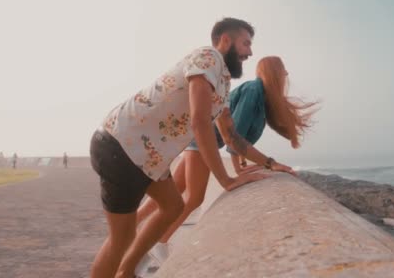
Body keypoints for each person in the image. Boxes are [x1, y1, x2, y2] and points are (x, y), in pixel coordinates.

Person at [89, 17, 294, 278]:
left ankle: (127, 272)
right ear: (226, 40)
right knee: (122, 237)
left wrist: (269, 162)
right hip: (121, 144)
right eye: (246, 43)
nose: (250, 52)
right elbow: (199, 121)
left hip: (148, 157)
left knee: (173, 207)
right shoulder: (208, 57)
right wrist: (226, 179)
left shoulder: (221, 83)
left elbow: (231, 136)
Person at [136, 56, 318, 263]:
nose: (286, 74)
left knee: (177, 186)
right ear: (274, 71)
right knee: (195, 197)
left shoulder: (261, 95)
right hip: (202, 141)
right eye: (283, 70)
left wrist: (240, 167)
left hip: (200, 139)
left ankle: (135, 223)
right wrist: (269, 163)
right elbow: (234, 137)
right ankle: (160, 241)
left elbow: (238, 136)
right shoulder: (253, 91)